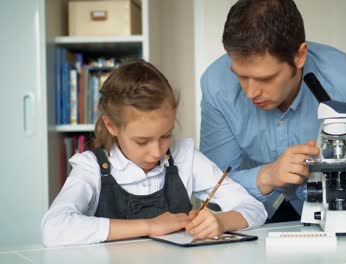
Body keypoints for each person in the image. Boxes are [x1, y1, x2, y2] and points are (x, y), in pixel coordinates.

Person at [200, 0, 346, 238]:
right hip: (253, 219)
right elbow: (211, 188)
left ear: (300, 56)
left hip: (337, 217)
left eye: (265, 78)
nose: (250, 92)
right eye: (241, 77)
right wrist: (267, 175)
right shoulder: (217, 84)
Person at [42, 60, 267, 247]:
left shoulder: (185, 157)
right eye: (142, 141)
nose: (157, 151)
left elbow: (254, 208)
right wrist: (150, 226)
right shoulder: (91, 168)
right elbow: (54, 229)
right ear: (111, 126)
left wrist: (220, 221)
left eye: (166, 135)